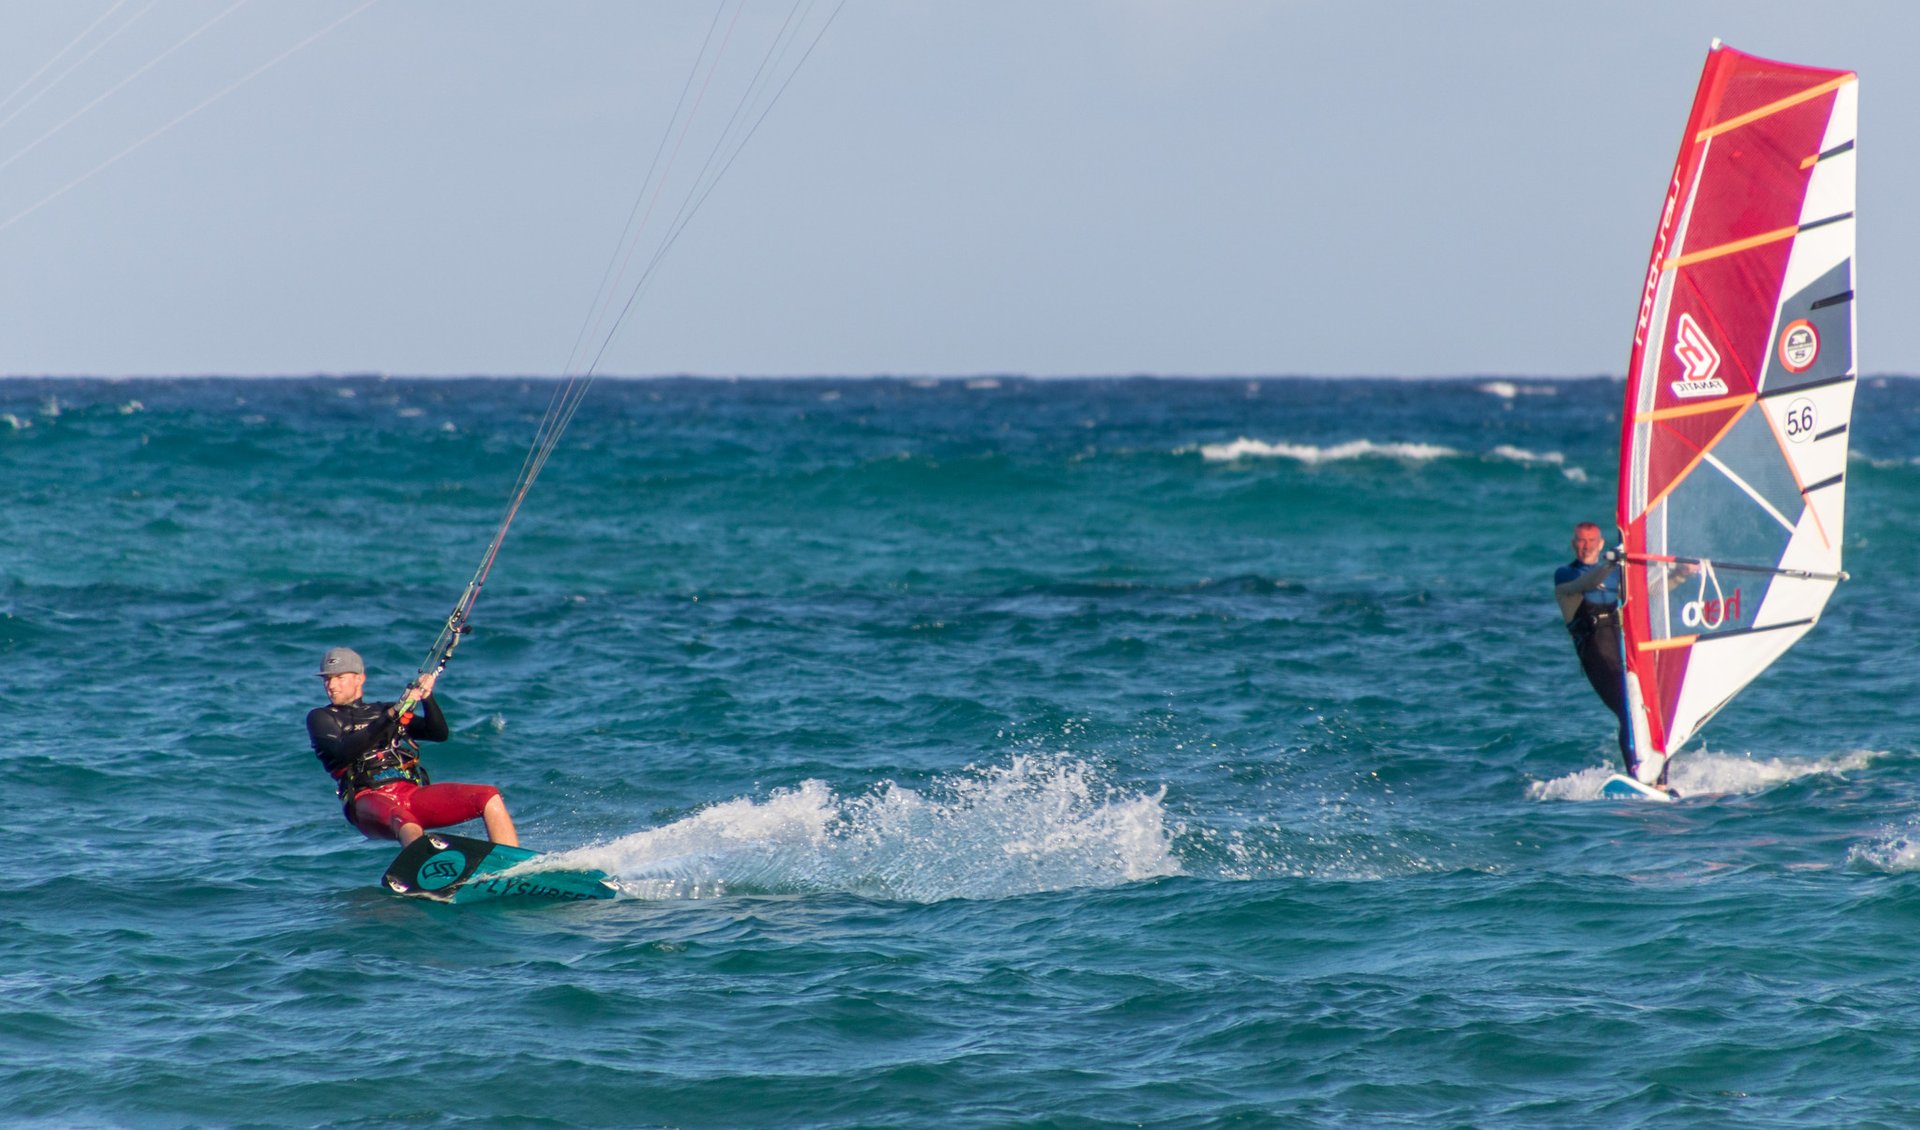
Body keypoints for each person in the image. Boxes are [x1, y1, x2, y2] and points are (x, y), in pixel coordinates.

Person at [307, 646, 518, 847]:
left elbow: (437, 734)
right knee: (406, 821)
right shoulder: (321, 717)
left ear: (360, 678)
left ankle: (510, 868)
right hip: (366, 798)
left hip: (409, 792)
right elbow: (342, 752)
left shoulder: (386, 710)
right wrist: (390, 717)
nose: (332, 685)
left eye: (339, 678)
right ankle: (425, 872)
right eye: (327, 679)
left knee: (488, 796)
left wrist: (427, 698)